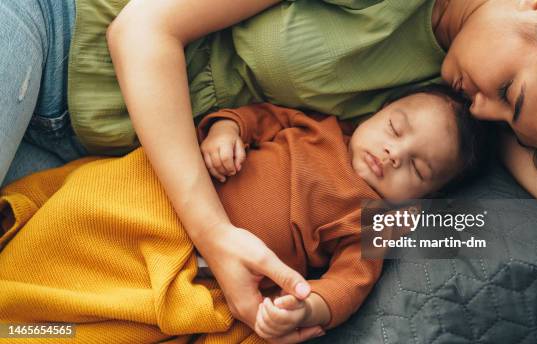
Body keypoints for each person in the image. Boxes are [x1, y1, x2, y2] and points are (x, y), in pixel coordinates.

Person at [1, 0, 537, 339]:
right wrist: (215, 233)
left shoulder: (453, 114)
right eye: (509, 92)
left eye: (507, 119)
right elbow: (142, 28)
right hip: (53, 36)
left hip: (93, 163)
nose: (487, 108)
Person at [0, 87, 487, 342]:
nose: (393, 153)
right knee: (75, 212)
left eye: (418, 167)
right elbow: (253, 117)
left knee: (98, 322)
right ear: (376, 113)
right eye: (395, 128)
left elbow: (350, 283)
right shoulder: (317, 127)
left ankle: (24, 332)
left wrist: (306, 306)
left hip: (192, 267)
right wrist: (224, 133)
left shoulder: (372, 221)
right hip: (153, 200)